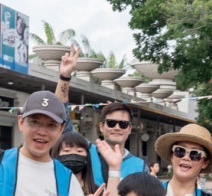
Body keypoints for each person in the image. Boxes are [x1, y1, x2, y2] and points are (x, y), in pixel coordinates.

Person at [55, 46, 148, 184]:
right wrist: (65, 76)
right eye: (111, 123)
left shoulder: (139, 166)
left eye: (123, 124)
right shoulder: (85, 151)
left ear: (129, 129)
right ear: (102, 126)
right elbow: (61, 115)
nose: (117, 127)